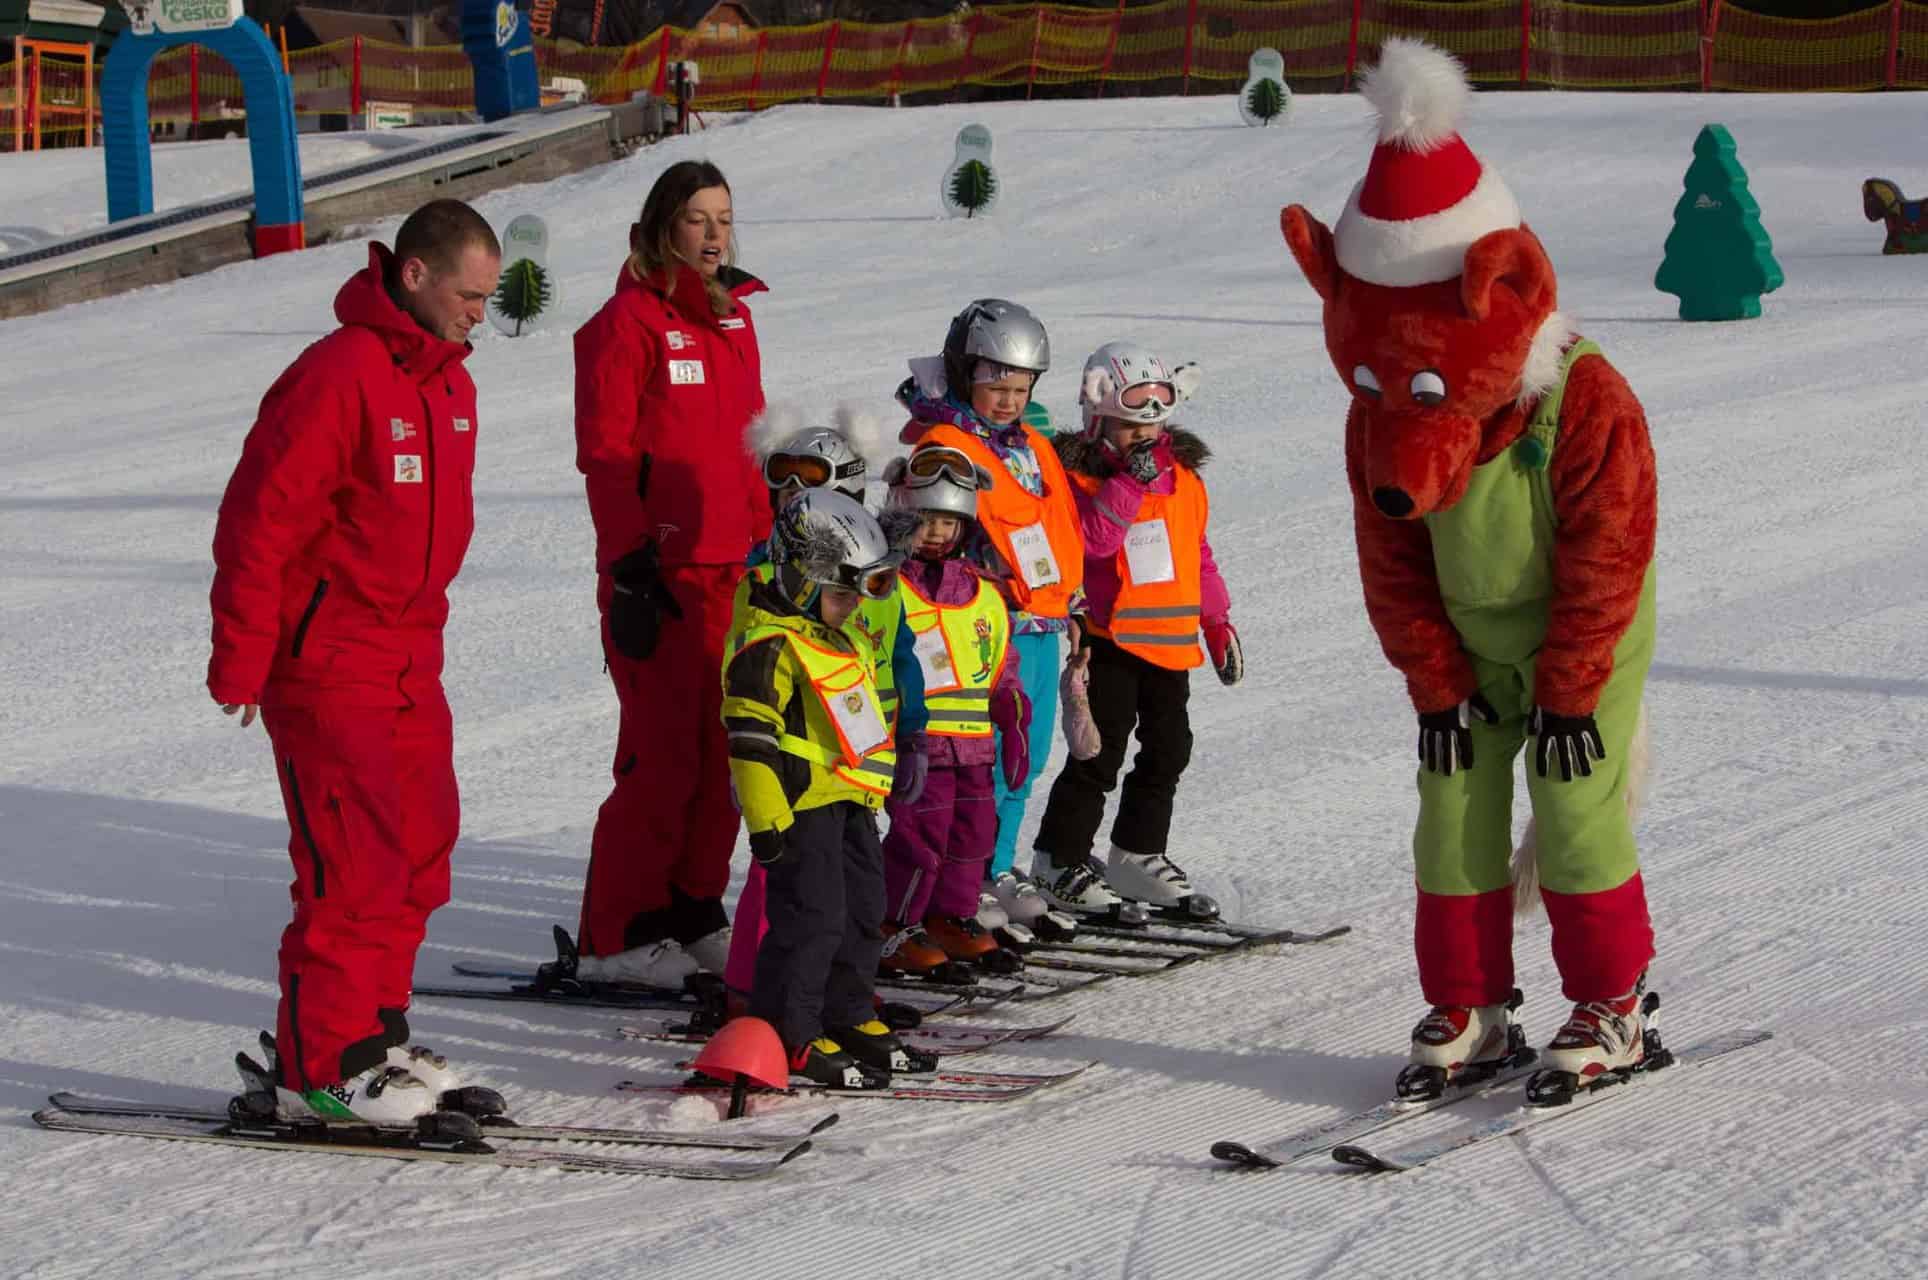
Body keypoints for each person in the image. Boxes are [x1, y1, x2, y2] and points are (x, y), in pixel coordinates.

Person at [208, 199, 502, 1123]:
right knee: (352, 867)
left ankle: (376, 1042)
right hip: (332, 663)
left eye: (488, 299)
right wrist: (244, 656)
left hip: (413, 657)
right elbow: (260, 520)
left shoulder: (450, 385)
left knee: (420, 850)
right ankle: (320, 1073)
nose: (477, 315)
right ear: (413, 274)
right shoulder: (338, 375)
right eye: (468, 294)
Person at [572, 160, 769, 987]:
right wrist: (629, 566)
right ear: (663, 227)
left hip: (738, 571)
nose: (715, 233)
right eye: (696, 218)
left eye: (723, 216)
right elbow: (608, 456)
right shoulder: (627, 323)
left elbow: (750, 447)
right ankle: (617, 934)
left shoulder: (735, 322)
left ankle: (691, 911)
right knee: (660, 761)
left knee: (726, 756)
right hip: (664, 573)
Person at [721, 488, 934, 1086]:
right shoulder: (770, 644)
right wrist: (766, 822)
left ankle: (847, 1014)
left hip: (850, 802)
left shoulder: (838, 636)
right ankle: (789, 1032)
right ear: (803, 579)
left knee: (864, 913)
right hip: (798, 808)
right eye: (844, 593)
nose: (855, 607)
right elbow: (749, 739)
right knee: (811, 920)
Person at [1031, 342, 1242, 921]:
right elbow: (1092, 543)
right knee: (1099, 755)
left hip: (1173, 644)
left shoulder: (1186, 480)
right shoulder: (1078, 477)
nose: (1143, 438)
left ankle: (1136, 855)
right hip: (1110, 640)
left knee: (1170, 750)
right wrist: (1129, 482)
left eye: (1153, 424)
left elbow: (1197, 553)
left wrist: (1216, 621)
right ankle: (1058, 861)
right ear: (1098, 420)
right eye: (1129, 427)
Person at [896, 299, 1085, 928]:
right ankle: (959, 873)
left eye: (1020, 387)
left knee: (1021, 754)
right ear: (962, 372)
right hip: (976, 623)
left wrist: (1071, 601)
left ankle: (996, 864)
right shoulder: (946, 442)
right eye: (995, 385)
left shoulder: (1030, 444)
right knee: (968, 758)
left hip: (1039, 623)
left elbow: (1055, 524)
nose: (1008, 399)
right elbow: (935, 528)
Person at [878, 444, 1031, 976]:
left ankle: (952, 916)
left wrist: (1012, 713)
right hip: (919, 745)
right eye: (925, 521)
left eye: (949, 521)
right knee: (922, 840)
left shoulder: (985, 593)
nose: (938, 533)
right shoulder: (890, 586)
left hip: (973, 746)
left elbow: (1000, 665)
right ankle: (894, 925)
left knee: (972, 837)